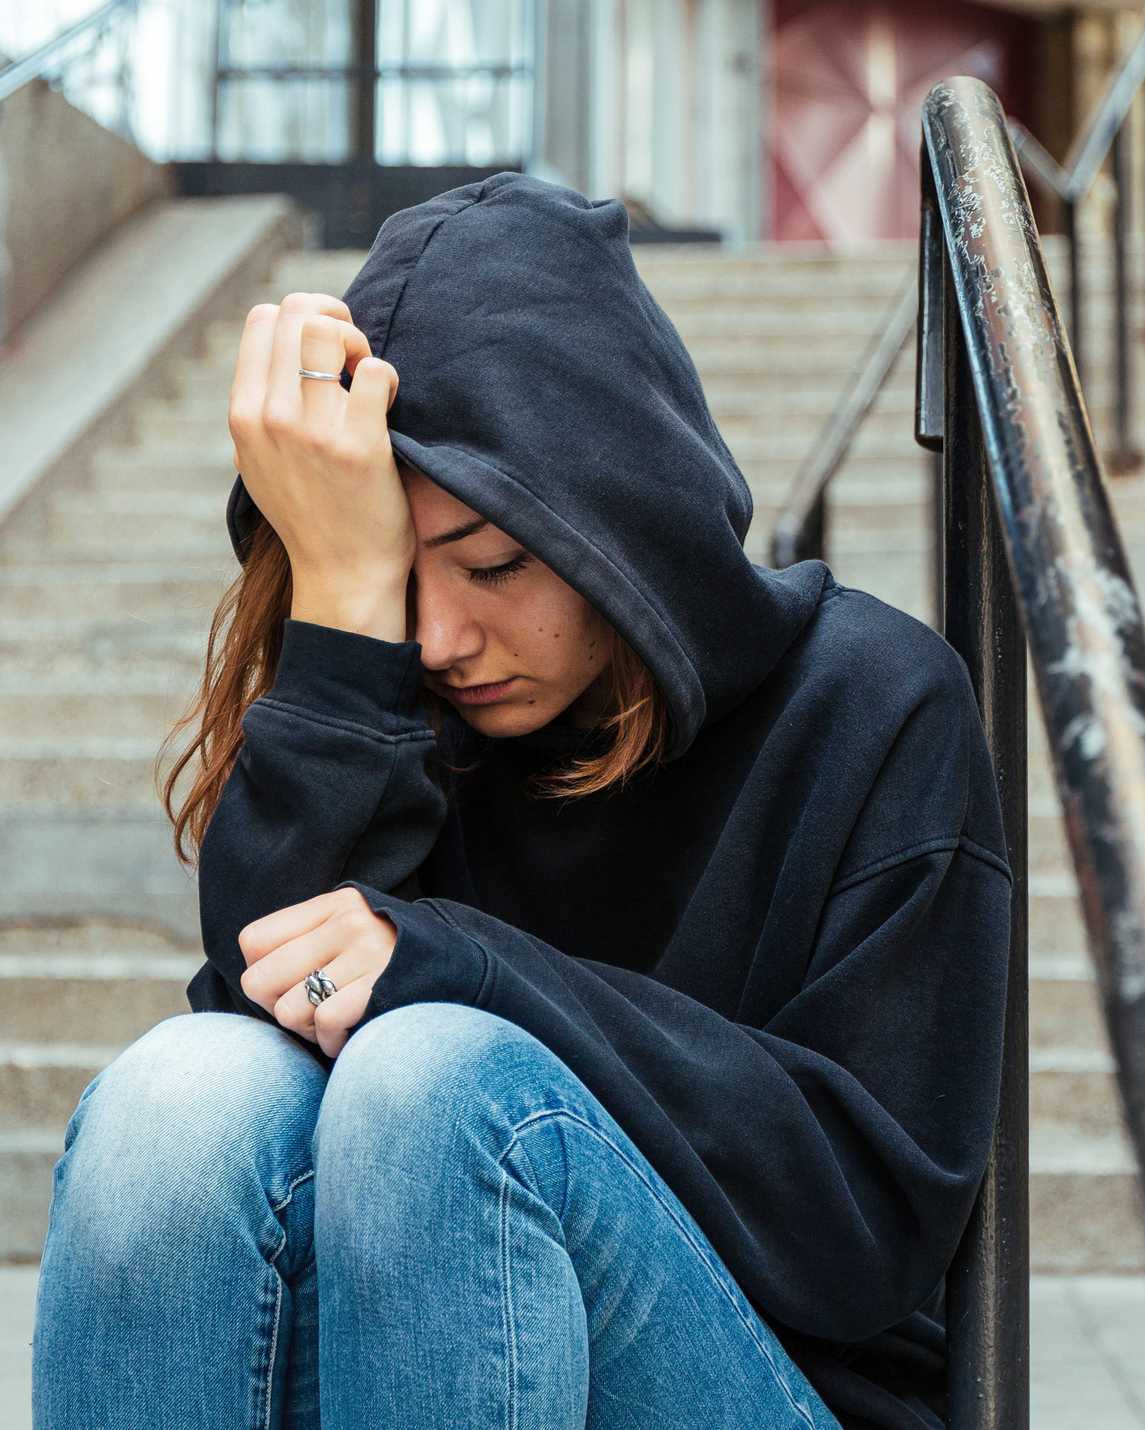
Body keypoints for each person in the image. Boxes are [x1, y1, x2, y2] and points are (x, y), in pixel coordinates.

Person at [30, 173, 1013, 1430]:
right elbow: (262, 1004)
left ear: (621, 519)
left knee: (433, 1077)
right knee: (178, 1094)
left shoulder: (873, 703)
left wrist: (471, 973)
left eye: (493, 563)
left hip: (781, 1381)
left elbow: (862, 1230)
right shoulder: (400, 693)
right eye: (397, 575)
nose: (439, 637)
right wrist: (339, 605)